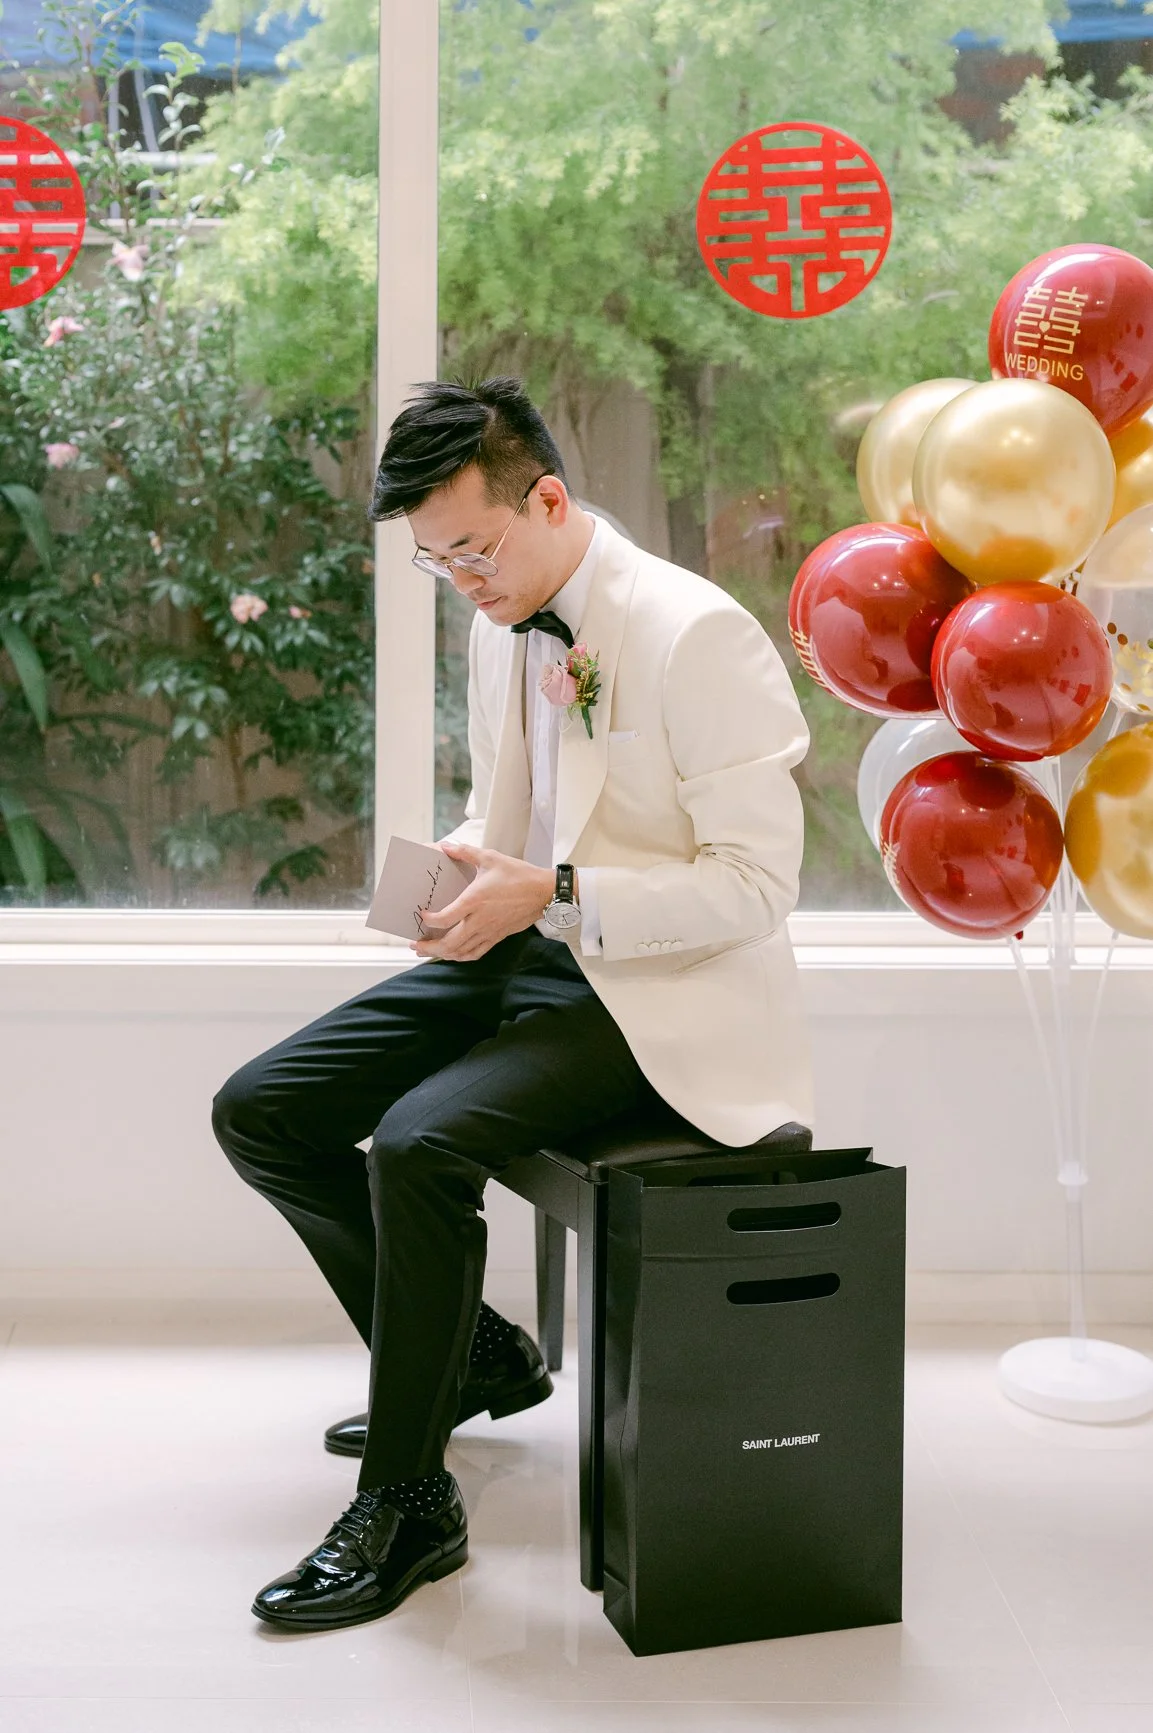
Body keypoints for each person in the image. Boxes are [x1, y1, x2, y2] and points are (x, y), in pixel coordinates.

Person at [212, 375, 812, 1632]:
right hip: (526, 946)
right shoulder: (502, 619)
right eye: (435, 562)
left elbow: (756, 888)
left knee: (419, 1143)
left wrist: (561, 890)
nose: (461, 582)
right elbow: (521, 817)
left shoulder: (694, 631)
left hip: (660, 992)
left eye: (472, 551)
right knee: (261, 1107)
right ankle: (479, 1352)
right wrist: (460, 877)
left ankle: (409, 1501)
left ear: (546, 497)